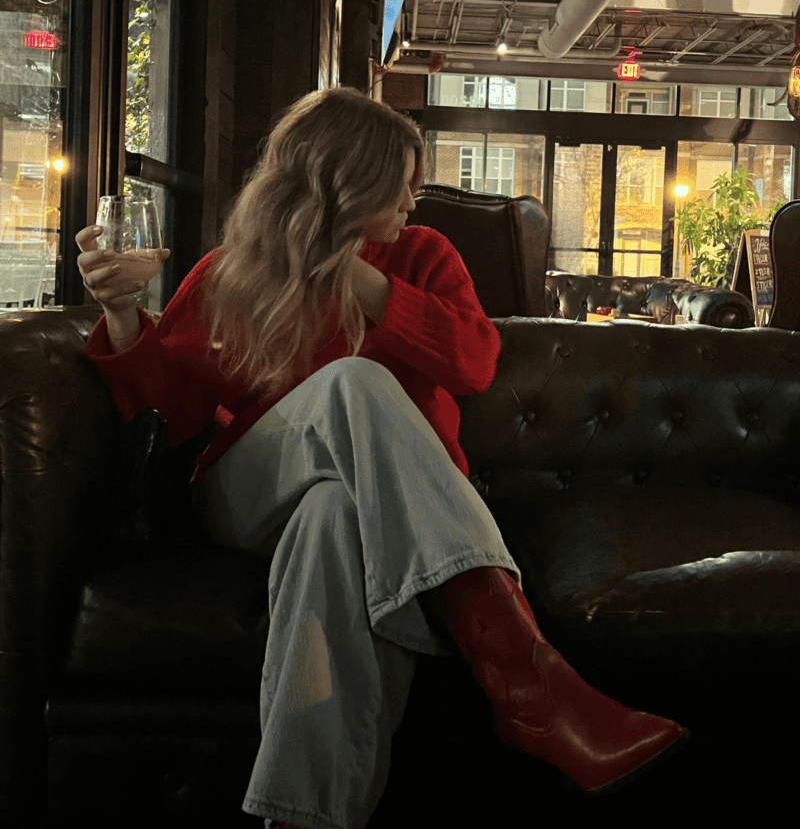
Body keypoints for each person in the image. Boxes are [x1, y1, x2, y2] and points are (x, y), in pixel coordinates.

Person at [76, 87, 689, 829]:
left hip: (374, 512)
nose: (412, 199)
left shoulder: (424, 256)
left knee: (332, 518)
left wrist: (360, 279)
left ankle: (305, 817)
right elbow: (173, 413)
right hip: (248, 497)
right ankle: (528, 683)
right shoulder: (231, 272)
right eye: (399, 183)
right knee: (354, 384)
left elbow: (475, 365)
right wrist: (121, 314)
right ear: (348, 182)